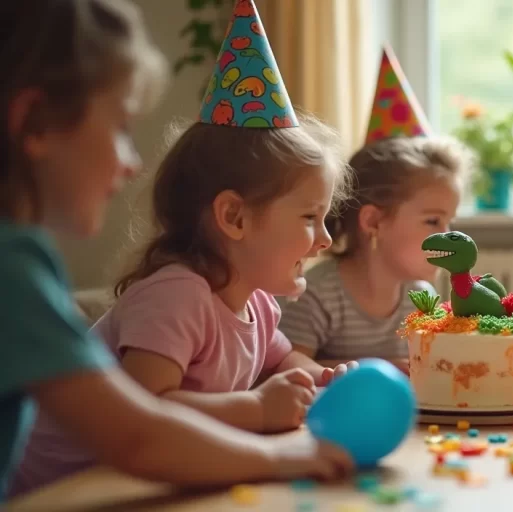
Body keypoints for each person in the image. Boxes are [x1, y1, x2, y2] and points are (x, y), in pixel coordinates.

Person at [1, 0, 353, 501]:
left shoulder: (20, 259)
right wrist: (276, 453)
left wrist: (322, 382)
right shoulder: (13, 268)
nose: (132, 163)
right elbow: (138, 432)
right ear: (35, 123)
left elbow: (281, 363)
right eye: (122, 127)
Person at [279, 47, 471, 375]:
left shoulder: (421, 297)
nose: (448, 234)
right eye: (433, 220)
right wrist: (375, 368)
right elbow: (287, 366)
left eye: (449, 220)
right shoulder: (319, 293)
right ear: (373, 221)